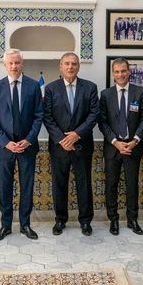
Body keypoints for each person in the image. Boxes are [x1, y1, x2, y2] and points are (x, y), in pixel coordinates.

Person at [0, 49, 44, 242]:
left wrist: (29, 139)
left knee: (27, 186)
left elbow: (39, 116)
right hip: (5, 148)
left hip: (27, 146)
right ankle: (6, 225)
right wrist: (5, 142)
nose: (14, 66)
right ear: (4, 65)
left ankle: (25, 224)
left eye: (17, 62)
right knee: (5, 188)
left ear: (22, 64)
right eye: (10, 63)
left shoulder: (34, 86)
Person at [43, 52, 99, 236]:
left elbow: (94, 114)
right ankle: (60, 220)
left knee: (84, 184)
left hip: (82, 145)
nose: (70, 67)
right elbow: (47, 117)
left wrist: (77, 134)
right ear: (60, 66)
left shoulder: (90, 87)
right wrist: (62, 139)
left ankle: (86, 221)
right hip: (59, 147)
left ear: (78, 67)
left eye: (74, 63)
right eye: (66, 63)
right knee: (59, 184)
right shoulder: (51, 89)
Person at [99, 57, 143, 236]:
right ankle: (113, 219)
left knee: (132, 185)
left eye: (123, 71)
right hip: (113, 147)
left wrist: (135, 141)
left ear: (129, 72)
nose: (120, 74)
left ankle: (132, 219)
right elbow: (102, 122)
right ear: (113, 73)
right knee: (111, 185)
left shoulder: (139, 92)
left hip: (132, 147)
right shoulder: (106, 94)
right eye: (117, 71)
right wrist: (115, 141)